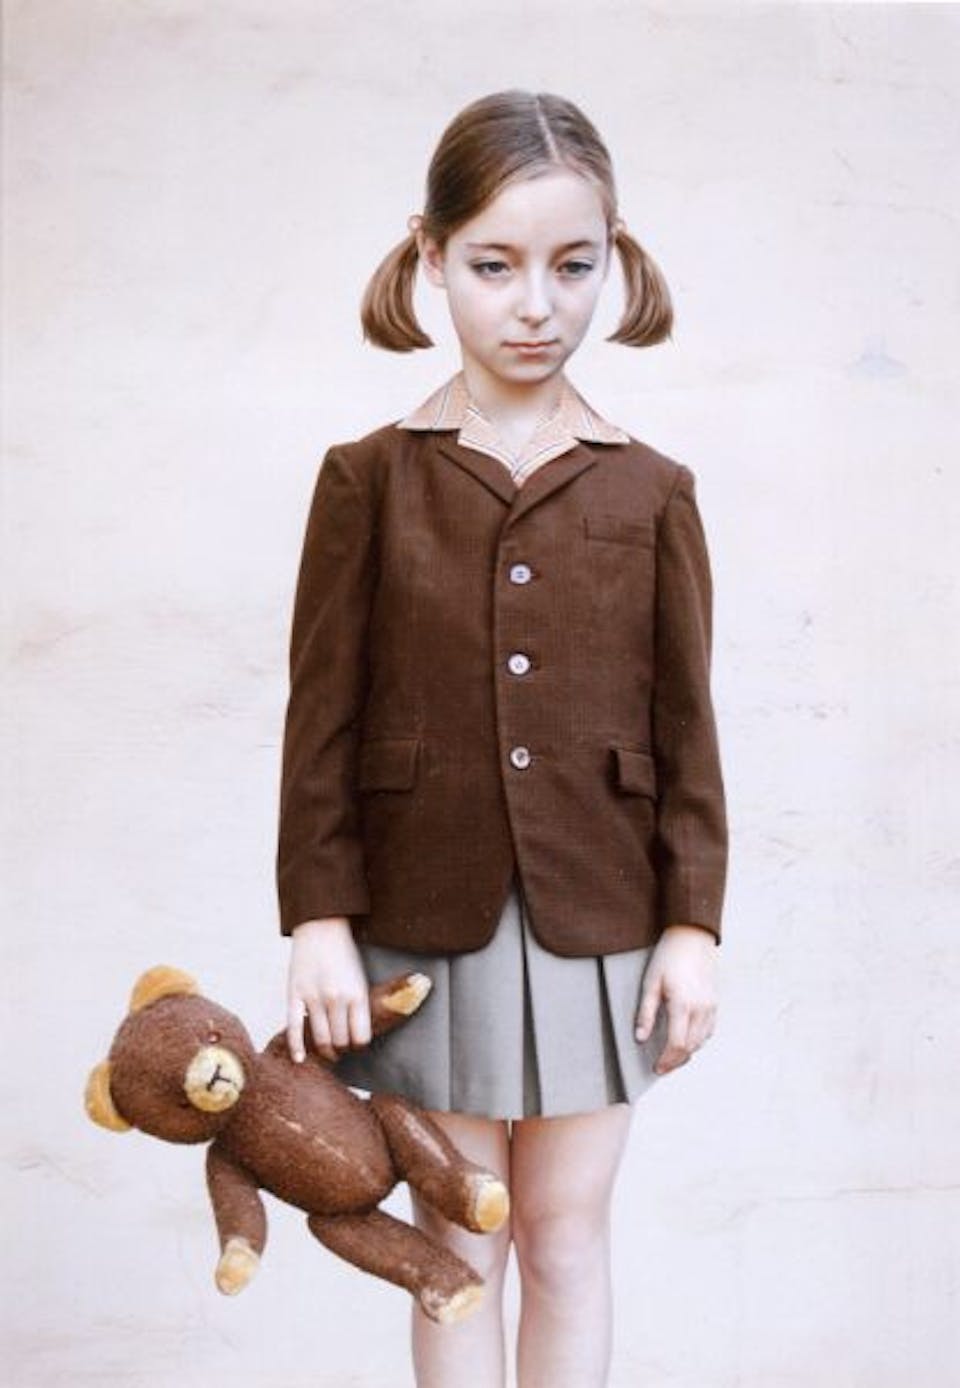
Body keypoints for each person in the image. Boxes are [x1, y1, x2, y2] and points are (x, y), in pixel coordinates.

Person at [277, 90, 727, 1388]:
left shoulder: (652, 489)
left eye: (573, 266)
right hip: (421, 916)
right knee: (456, 1237)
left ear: (613, 261)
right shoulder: (369, 478)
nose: (537, 305)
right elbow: (321, 718)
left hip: (604, 919)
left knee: (566, 1238)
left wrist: (693, 925)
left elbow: (686, 727)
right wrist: (318, 918)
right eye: (494, 266)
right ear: (430, 257)